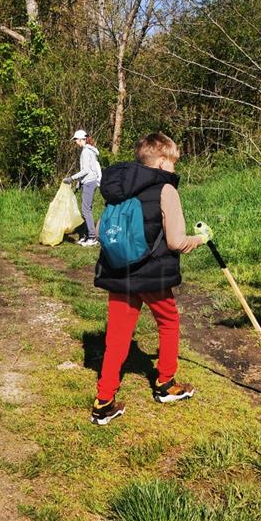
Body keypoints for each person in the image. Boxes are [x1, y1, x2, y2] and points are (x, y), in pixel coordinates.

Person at [90, 132, 211, 425]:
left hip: (119, 269)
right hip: (152, 274)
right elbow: (176, 241)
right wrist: (202, 238)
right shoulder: (165, 189)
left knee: (117, 336)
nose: (174, 168)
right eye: (172, 161)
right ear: (159, 161)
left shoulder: (116, 186)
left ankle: (103, 401)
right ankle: (166, 385)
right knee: (169, 322)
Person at [63, 129, 101, 247]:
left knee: (86, 211)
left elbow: (86, 170)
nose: (75, 142)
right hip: (89, 181)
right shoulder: (89, 150)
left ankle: (92, 237)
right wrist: (80, 182)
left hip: (90, 182)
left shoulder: (85, 151)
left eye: (76, 140)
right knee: (86, 210)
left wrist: (72, 178)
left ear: (81, 140)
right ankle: (86, 236)